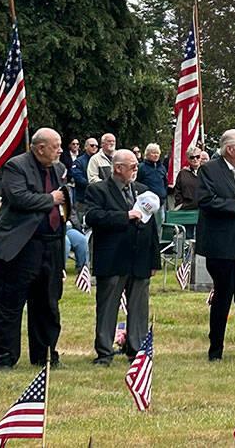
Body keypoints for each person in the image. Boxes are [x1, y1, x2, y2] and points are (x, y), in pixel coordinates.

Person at [0, 127, 68, 370]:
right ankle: (4, 358)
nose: (60, 151)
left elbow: (63, 198)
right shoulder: (16, 167)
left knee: (47, 304)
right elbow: (19, 197)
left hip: (50, 245)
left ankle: (45, 355)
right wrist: (50, 200)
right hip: (19, 246)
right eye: (56, 146)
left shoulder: (58, 169)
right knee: (8, 305)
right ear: (40, 147)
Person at [84, 149, 160, 365]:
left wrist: (154, 260)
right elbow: (92, 216)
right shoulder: (98, 190)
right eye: (133, 166)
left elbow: (152, 227)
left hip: (140, 258)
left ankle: (136, 350)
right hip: (113, 258)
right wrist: (124, 216)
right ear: (118, 168)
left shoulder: (142, 190)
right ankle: (104, 352)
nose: (137, 170)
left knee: (139, 306)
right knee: (108, 306)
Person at [196, 129, 235, 360]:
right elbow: (205, 200)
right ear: (230, 149)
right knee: (223, 297)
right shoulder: (209, 170)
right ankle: (216, 350)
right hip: (222, 247)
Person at [68, 138, 93, 209]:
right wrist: (91, 185)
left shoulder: (98, 161)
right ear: (86, 147)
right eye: (92, 145)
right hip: (82, 198)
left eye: (96, 146)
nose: (94, 147)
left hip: (95, 199)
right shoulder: (79, 161)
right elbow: (77, 176)